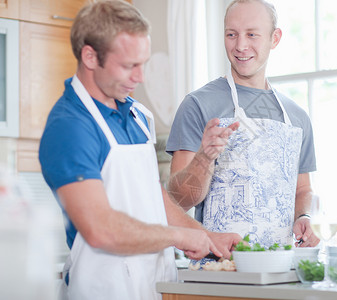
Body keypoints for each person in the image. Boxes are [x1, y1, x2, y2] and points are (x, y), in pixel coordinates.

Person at [38, 1, 241, 299]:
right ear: (90, 56)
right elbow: (100, 229)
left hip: (153, 285)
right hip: (103, 290)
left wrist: (209, 237)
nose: (140, 77)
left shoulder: (136, 115)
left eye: (142, 63)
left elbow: (152, 196)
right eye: (128, 65)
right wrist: (179, 236)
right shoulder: (70, 126)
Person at [166, 0, 320, 249]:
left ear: (275, 38)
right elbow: (177, 201)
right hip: (220, 268)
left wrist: (303, 216)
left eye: (252, 34)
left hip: (281, 265)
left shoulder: (297, 117)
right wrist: (205, 158)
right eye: (231, 34)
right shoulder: (198, 105)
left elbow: (302, 190)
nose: (240, 46)